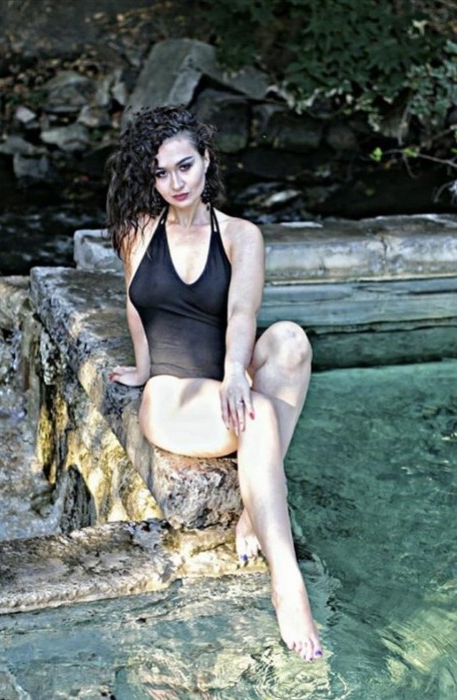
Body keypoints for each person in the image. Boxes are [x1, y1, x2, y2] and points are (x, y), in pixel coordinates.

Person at [106, 105, 323, 661]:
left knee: (291, 339)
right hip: (172, 397)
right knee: (259, 414)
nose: (175, 183)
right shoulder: (138, 232)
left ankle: (256, 506)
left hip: (225, 376)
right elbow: (135, 309)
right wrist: (143, 370)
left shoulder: (241, 235)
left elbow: (243, 314)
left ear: (206, 161)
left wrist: (233, 375)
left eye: (185, 166)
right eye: (161, 173)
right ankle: (288, 584)